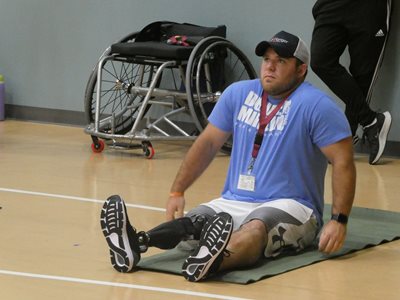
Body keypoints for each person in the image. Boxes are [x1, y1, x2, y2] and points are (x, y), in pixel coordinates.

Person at [100, 30, 356, 282]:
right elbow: (208, 143)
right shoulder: (239, 93)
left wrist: (338, 220)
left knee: (257, 226)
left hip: (292, 205)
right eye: (267, 59)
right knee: (193, 222)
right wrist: (177, 191)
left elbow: (343, 161)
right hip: (234, 200)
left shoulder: (317, 106)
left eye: (281, 62)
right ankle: (136, 242)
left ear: (301, 70)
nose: (270, 67)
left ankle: (214, 261)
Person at [310, 0, 393, 165]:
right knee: (320, 61)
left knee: (363, 75)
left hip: (369, 7)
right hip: (331, 5)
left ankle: (345, 137)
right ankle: (372, 121)